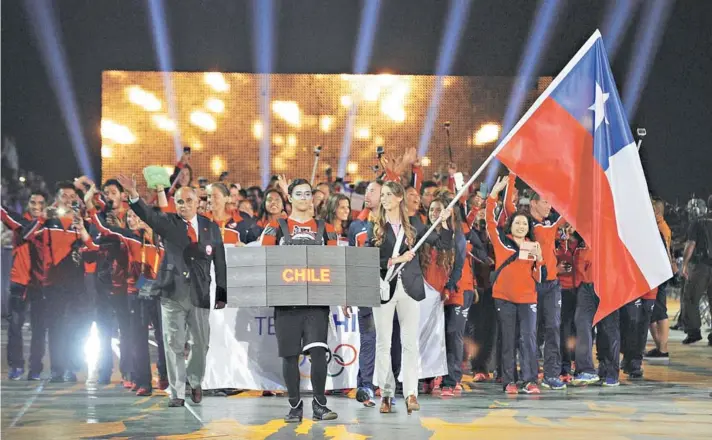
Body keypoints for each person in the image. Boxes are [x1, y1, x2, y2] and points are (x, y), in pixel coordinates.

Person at [118, 174, 227, 407]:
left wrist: (221, 292)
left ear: (198, 202)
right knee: (173, 342)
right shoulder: (168, 223)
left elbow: (220, 262)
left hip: (199, 294)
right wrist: (134, 196)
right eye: (179, 202)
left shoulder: (211, 228)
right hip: (171, 293)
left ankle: (195, 381)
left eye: (189, 201)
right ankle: (177, 392)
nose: (184, 205)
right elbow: (147, 215)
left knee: (201, 344)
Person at [369, 181, 453, 414]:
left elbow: (443, 243)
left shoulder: (414, 224)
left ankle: (410, 393)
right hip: (384, 288)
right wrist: (396, 260)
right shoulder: (375, 225)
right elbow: (368, 258)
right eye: (382, 194)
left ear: (398, 198)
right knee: (383, 343)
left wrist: (444, 222)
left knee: (410, 344)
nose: (383, 198)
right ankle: (386, 393)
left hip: (410, 288)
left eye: (387, 194)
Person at [260, 178, 339, 422]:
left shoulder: (327, 229)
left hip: (316, 302)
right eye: (299, 194)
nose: (305, 198)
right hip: (286, 303)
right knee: (289, 356)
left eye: (308, 194)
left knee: (318, 352)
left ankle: (319, 405)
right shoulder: (275, 227)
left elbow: (337, 265)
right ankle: (295, 406)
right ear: (290, 198)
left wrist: (343, 298)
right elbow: (264, 262)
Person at [486, 176, 544, 394]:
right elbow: (490, 222)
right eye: (518, 222)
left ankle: (530, 380)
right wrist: (494, 195)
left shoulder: (533, 246)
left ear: (529, 228)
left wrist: (539, 260)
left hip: (528, 299)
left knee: (529, 339)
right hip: (505, 298)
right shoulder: (503, 242)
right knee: (508, 340)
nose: (521, 225)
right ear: (511, 225)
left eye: (525, 223)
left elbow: (539, 277)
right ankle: (509, 381)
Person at [1, 190, 48, 380]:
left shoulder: (49, 225)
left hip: (40, 283)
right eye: (33, 202)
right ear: (28, 203)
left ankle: (35, 368)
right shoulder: (20, 222)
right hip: (19, 282)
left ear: (45, 206)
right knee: (15, 326)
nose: (36, 206)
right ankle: (16, 366)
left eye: (40, 203)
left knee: (39, 327)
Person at [680, 194, 712, 345]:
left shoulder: (698, 222)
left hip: (702, 266)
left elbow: (691, 244)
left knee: (691, 298)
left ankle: (693, 332)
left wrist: (685, 264)